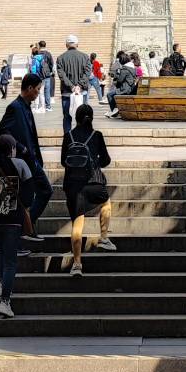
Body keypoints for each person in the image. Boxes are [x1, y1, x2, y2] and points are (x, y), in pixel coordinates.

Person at [60, 103, 115, 276]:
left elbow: (63, 161)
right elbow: (106, 160)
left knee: (77, 224)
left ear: (76, 118)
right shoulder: (96, 135)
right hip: (93, 183)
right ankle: (104, 237)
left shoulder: (68, 136)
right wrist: (94, 161)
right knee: (106, 202)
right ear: (91, 118)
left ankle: (77, 264)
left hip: (73, 186)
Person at [0, 73, 51, 239]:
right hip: (24, 160)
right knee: (44, 190)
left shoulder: (26, 106)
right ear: (29, 88)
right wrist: (22, 148)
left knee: (43, 191)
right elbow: (1, 130)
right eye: (37, 89)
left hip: (32, 160)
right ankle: (25, 228)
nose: (38, 93)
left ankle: (26, 227)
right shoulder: (15, 107)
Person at [0, 132, 30, 319]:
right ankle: (5, 301)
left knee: (1, 251)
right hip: (12, 220)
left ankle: (2, 284)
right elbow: (30, 192)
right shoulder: (20, 164)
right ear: (12, 149)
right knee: (11, 261)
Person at [56, 33, 93, 138]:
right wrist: (79, 86)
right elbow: (87, 73)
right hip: (82, 92)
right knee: (83, 117)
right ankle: (82, 138)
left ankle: (68, 139)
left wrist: (72, 86)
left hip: (67, 92)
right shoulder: (85, 57)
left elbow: (61, 75)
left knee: (67, 117)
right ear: (77, 44)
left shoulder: (60, 58)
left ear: (66, 45)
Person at [34, 39, 55, 113]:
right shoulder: (48, 54)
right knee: (47, 90)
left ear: (39, 46)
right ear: (45, 45)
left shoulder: (37, 53)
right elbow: (51, 64)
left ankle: (40, 106)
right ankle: (48, 106)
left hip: (39, 75)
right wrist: (50, 71)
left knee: (40, 91)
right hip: (47, 74)